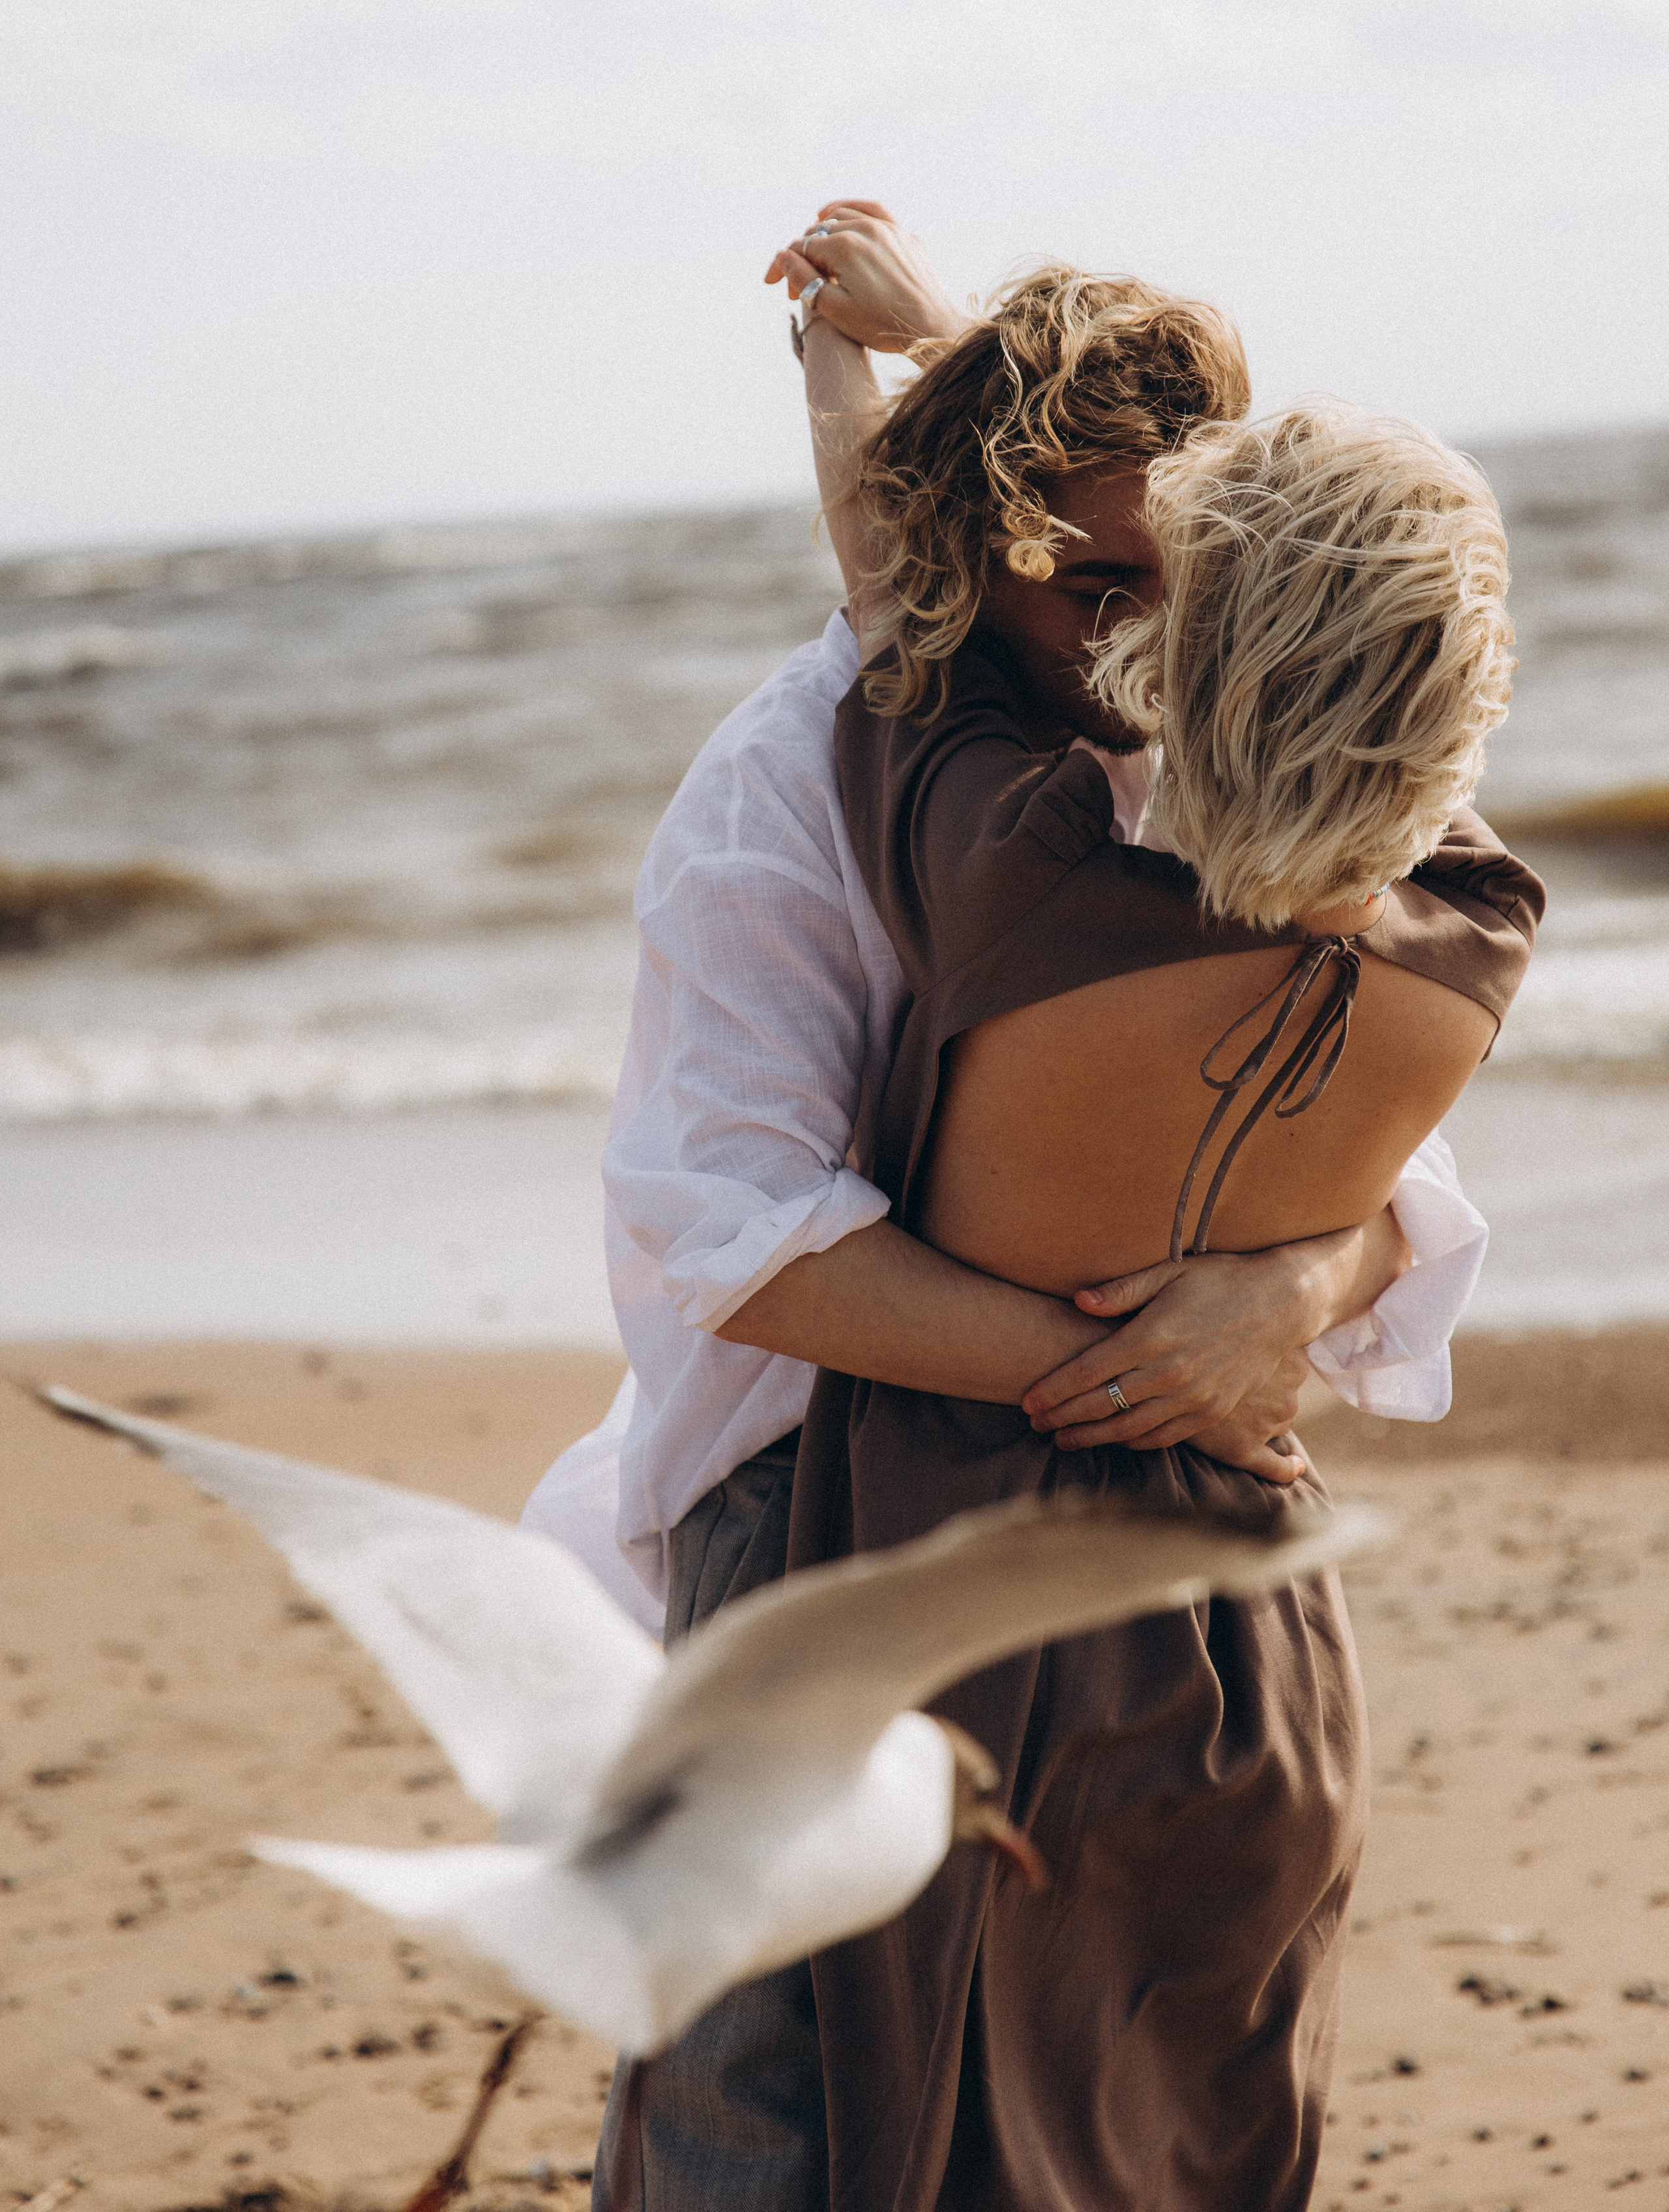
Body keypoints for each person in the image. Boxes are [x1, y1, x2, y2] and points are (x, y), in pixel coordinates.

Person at [527, 208, 1494, 2211]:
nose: (1138, 634)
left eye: (1188, 577)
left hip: (1163, 1537)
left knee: (1141, 2086)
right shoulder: (791, 782)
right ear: (976, 550)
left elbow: (1402, 1172)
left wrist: (1290, 1285)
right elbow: (736, 1232)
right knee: (760, 2091)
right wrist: (1133, 1363)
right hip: (809, 1509)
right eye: (1085, 582)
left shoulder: (1207, 745)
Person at [783, 299, 1544, 2209]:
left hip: (985, 1614)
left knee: (961, 2158)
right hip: (1268, 1622)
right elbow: (1362, 755)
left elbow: (908, 579)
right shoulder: (1478, 935)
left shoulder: (1013, 868)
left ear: (1178, 632)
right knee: (1214, 2155)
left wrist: (854, 367)